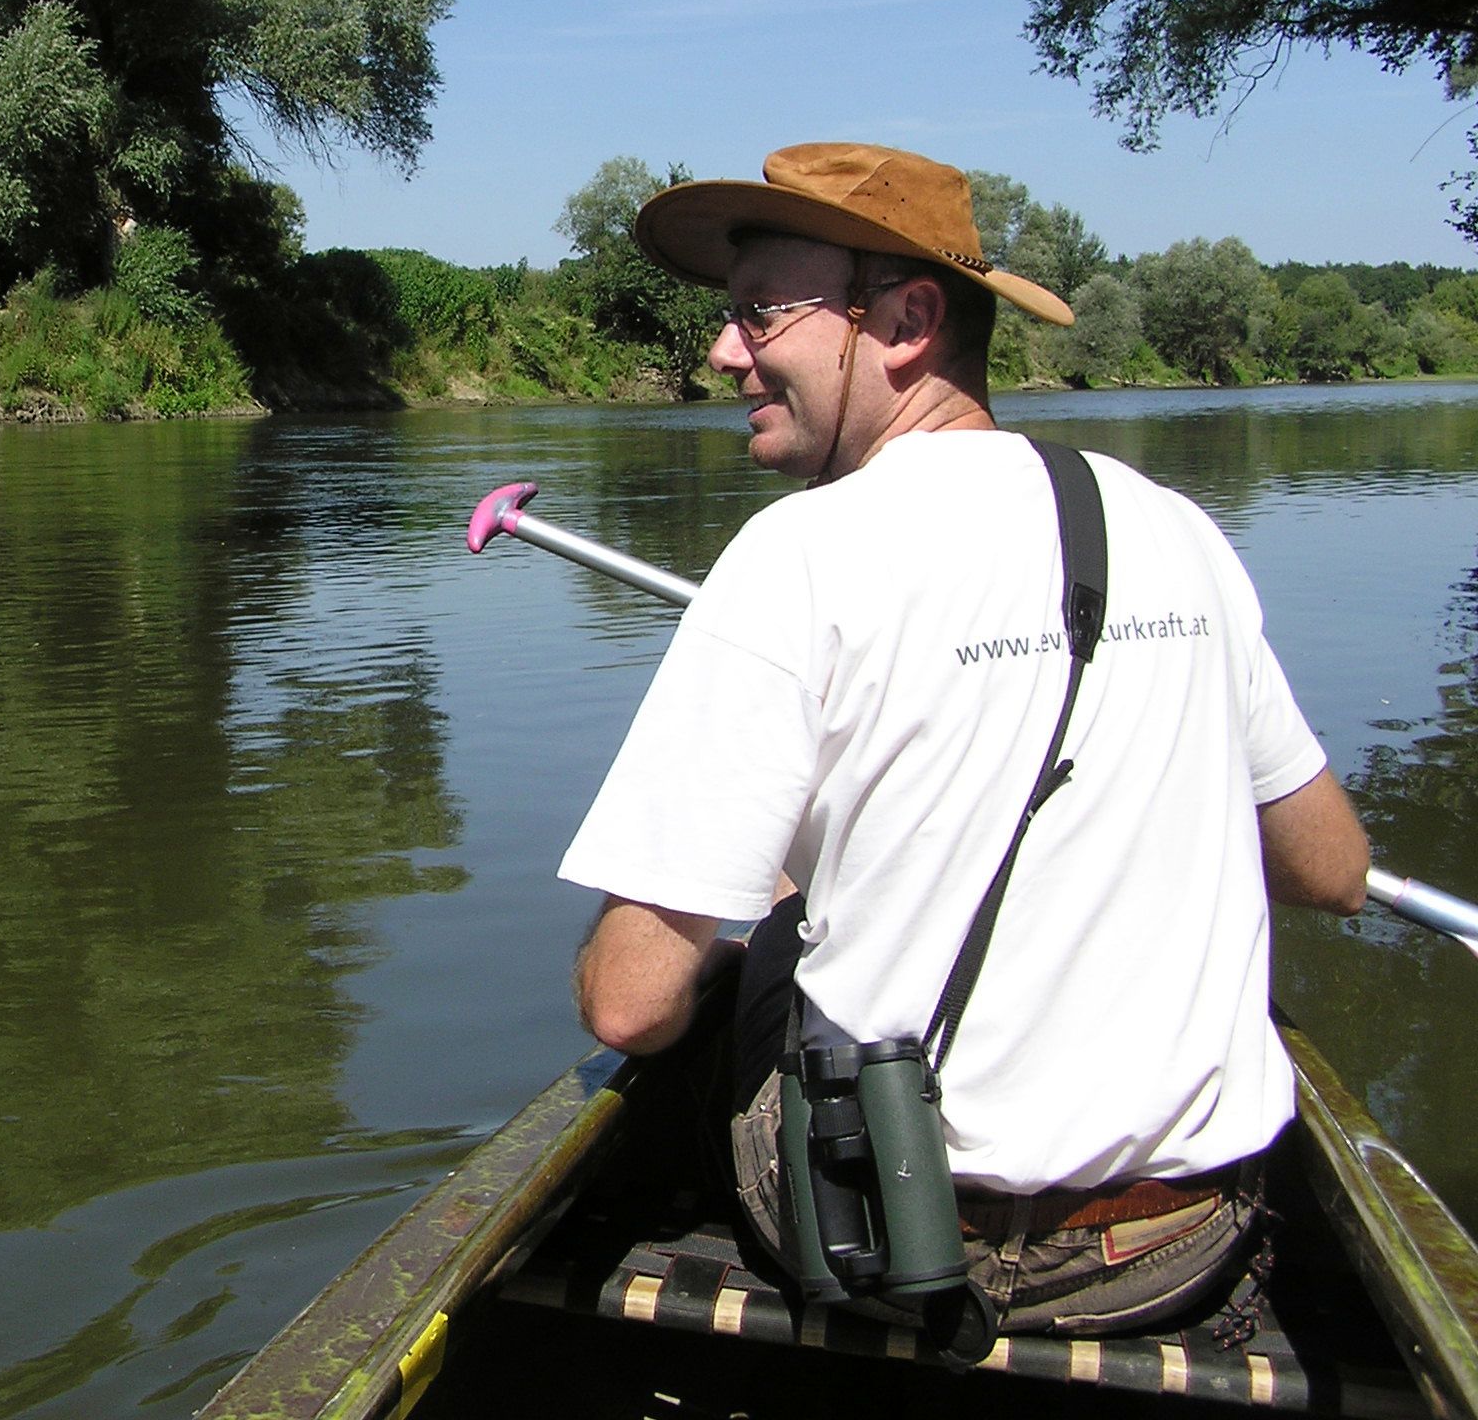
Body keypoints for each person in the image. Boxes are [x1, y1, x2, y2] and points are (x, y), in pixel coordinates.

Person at [556, 142, 1371, 1336]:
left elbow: (628, 1007)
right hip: (1176, 1241)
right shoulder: (1174, 525)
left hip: (898, 1234)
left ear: (905, 320)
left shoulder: (795, 554)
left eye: (758, 313)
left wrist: (727, 915)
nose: (722, 353)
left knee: (769, 932)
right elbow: (1328, 869)